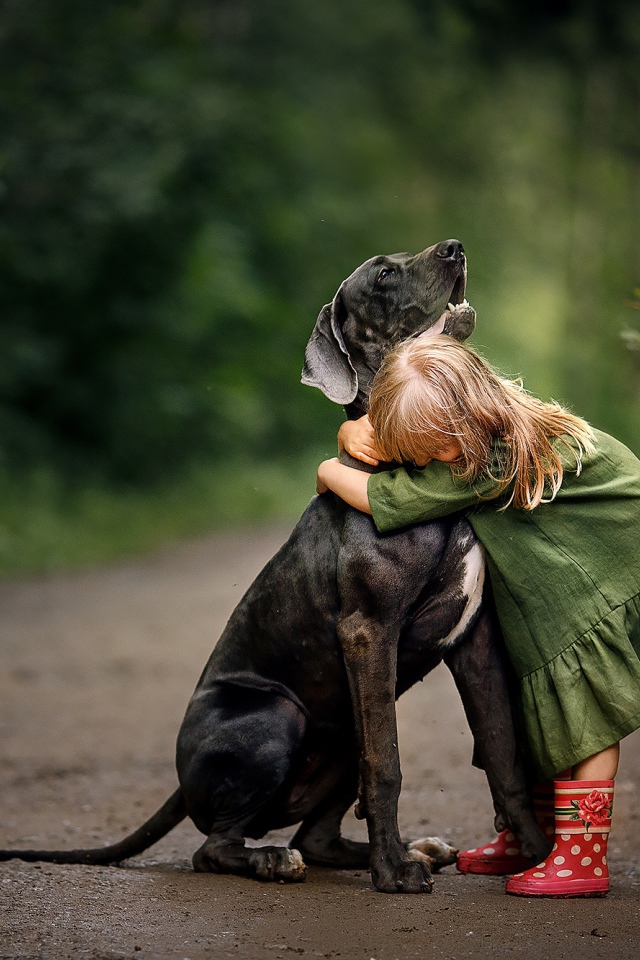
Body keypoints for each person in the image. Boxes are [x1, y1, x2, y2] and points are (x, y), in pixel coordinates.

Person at [316, 334, 640, 898]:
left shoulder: (490, 460)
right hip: (563, 588)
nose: (427, 463)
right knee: (542, 713)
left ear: (465, 419)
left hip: (606, 577)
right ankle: (534, 834)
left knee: (586, 721)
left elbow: (389, 498)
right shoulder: (488, 423)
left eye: (431, 450)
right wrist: (352, 429)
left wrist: (327, 467)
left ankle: (583, 858)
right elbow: (398, 451)